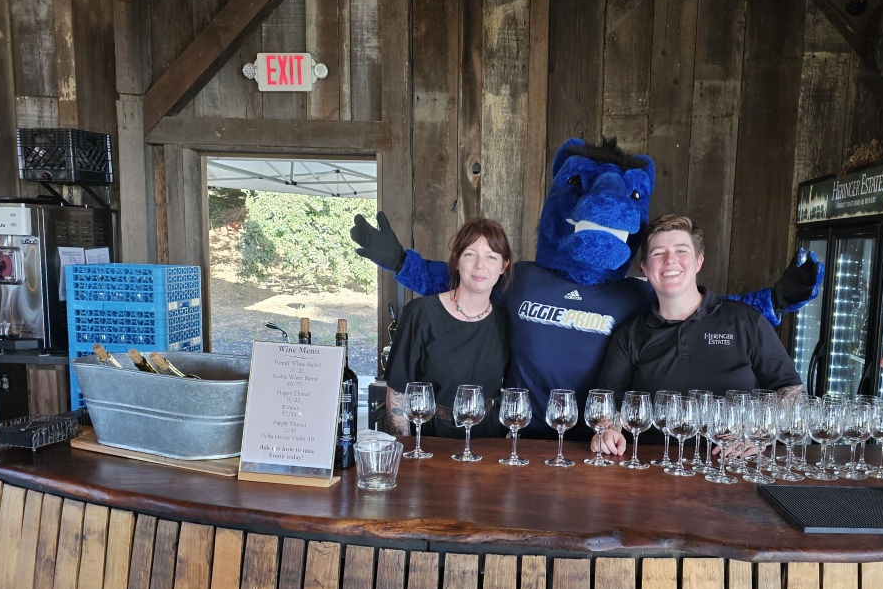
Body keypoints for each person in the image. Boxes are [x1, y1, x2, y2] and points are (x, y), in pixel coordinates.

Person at [351, 138, 822, 441]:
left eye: (680, 255)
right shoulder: (525, 278)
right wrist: (398, 261)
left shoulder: (638, 294)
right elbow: (462, 280)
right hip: (516, 436)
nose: (669, 265)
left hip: (597, 440)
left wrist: (774, 300)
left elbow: (708, 311)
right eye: (662, 254)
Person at [595, 214, 803, 455]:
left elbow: (790, 389)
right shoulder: (630, 333)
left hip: (732, 464)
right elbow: (608, 403)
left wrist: (760, 435)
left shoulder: (745, 319)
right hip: (654, 465)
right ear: (645, 267)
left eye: (681, 250)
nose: (670, 260)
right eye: (658, 253)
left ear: (698, 262)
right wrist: (608, 430)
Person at [386, 218, 512, 439]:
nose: (480, 265)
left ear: (503, 266)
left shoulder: (505, 321)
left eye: (491, 257)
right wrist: (406, 449)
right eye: (470, 254)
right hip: (430, 437)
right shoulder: (421, 313)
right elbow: (397, 391)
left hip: (489, 439)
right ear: (456, 260)